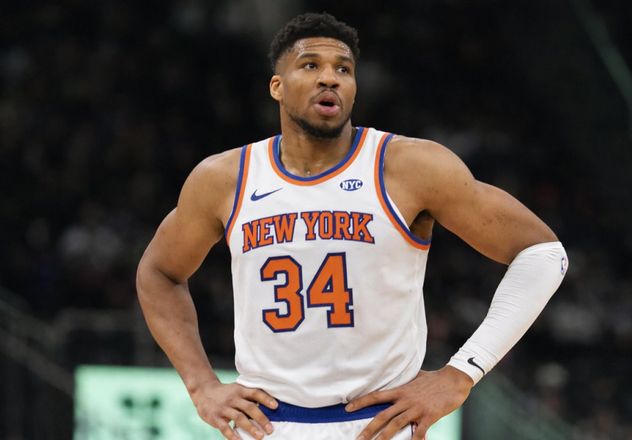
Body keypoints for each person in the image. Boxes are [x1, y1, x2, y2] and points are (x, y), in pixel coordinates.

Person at [136, 12, 568, 440]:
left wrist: (462, 373)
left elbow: (544, 254)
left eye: (343, 69)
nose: (330, 78)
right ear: (277, 87)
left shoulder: (410, 166)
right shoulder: (224, 178)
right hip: (266, 425)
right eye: (311, 65)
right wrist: (201, 385)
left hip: (380, 424)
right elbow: (159, 272)